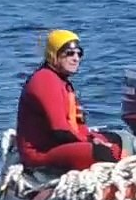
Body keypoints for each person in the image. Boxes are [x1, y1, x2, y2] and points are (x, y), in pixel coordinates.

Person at [14, 29, 123, 172]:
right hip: (41, 153)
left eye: (79, 53)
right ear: (54, 55)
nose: (76, 58)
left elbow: (76, 125)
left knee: (115, 139)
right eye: (69, 53)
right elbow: (61, 131)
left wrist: (94, 137)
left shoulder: (62, 81)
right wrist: (90, 142)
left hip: (60, 145)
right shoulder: (45, 80)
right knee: (102, 152)